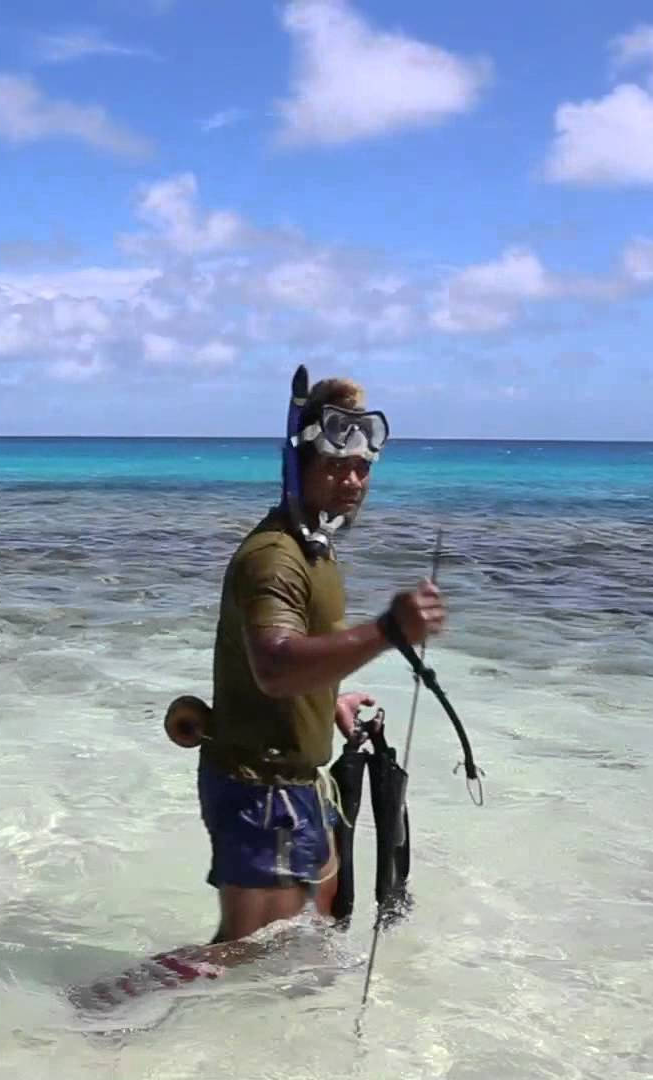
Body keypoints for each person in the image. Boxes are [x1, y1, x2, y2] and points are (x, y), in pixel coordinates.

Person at [198, 372, 445, 945]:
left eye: (363, 468)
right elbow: (277, 666)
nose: (353, 480)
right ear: (298, 464)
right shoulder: (276, 558)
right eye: (336, 466)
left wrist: (329, 698)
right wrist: (388, 630)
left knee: (312, 930)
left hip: (297, 784)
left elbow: (298, 661)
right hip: (261, 791)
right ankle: (95, 1012)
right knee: (245, 953)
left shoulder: (316, 547)